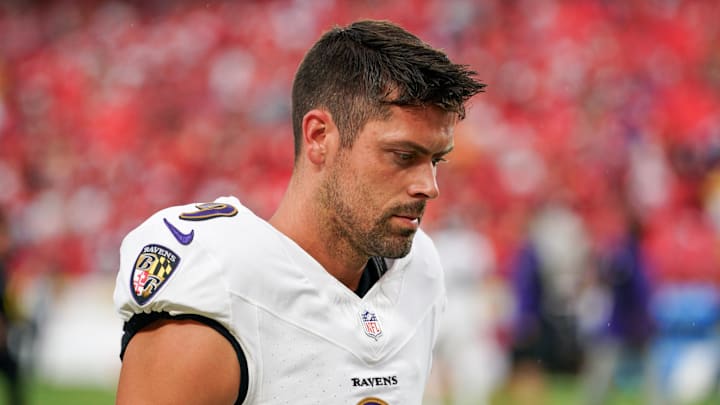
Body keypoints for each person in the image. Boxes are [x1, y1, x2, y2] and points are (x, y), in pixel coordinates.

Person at [113, 19, 485, 404]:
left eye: (436, 160)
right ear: (319, 137)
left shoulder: (419, 272)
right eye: (403, 156)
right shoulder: (222, 290)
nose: (429, 186)